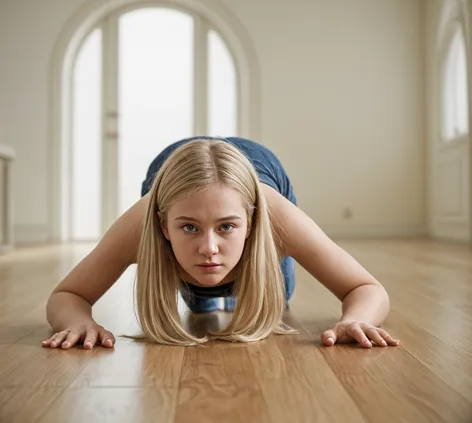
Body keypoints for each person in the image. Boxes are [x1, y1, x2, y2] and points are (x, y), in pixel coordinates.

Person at [42, 136, 400, 349]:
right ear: (163, 226)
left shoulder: (277, 219)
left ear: (251, 224)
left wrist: (356, 319)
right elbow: (67, 295)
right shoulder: (142, 223)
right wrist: (76, 322)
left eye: (227, 227)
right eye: (189, 228)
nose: (209, 248)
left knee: (278, 295)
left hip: (260, 171)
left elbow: (366, 287)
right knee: (202, 303)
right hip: (175, 173)